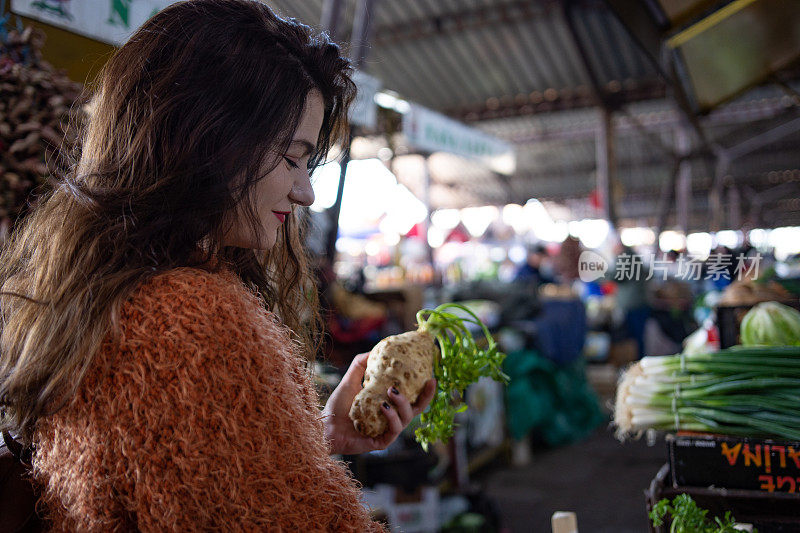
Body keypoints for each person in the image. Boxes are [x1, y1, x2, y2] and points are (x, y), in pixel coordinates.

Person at [0, 1, 435, 530]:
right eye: (290, 156)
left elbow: (195, 491)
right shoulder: (190, 318)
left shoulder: (112, 289)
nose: (305, 190)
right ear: (209, 140)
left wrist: (316, 436)